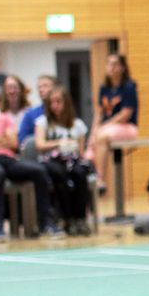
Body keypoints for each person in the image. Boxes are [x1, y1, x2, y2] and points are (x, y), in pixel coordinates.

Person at [0, 106, 59, 241]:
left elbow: (14, 142)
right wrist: (2, 139)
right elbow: (8, 140)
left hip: (9, 159)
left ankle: (45, 223)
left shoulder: (4, 118)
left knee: (39, 171)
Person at [34, 86, 92, 236]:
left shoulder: (77, 124)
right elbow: (39, 145)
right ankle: (68, 218)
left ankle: (81, 218)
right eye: (52, 102)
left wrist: (73, 148)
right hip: (51, 161)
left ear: (66, 103)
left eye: (58, 101)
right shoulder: (43, 122)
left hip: (71, 160)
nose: (55, 105)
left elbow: (80, 151)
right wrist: (59, 143)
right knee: (59, 173)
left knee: (80, 173)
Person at [86, 54, 139, 196]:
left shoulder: (129, 86)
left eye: (115, 64)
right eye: (109, 64)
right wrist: (93, 133)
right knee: (92, 142)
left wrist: (103, 127)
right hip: (107, 128)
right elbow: (99, 114)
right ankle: (91, 179)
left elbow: (126, 114)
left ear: (122, 67)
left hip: (128, 127)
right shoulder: (104, 88)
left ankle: (100, 178)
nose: (111, 67)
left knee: (103, 136)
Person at [18, 75, 57, 147]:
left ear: (55, 88)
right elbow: (22, 141)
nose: (41, 89)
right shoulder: (30, 114)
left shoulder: (64, 112)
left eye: (45, 86)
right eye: (39, 87)